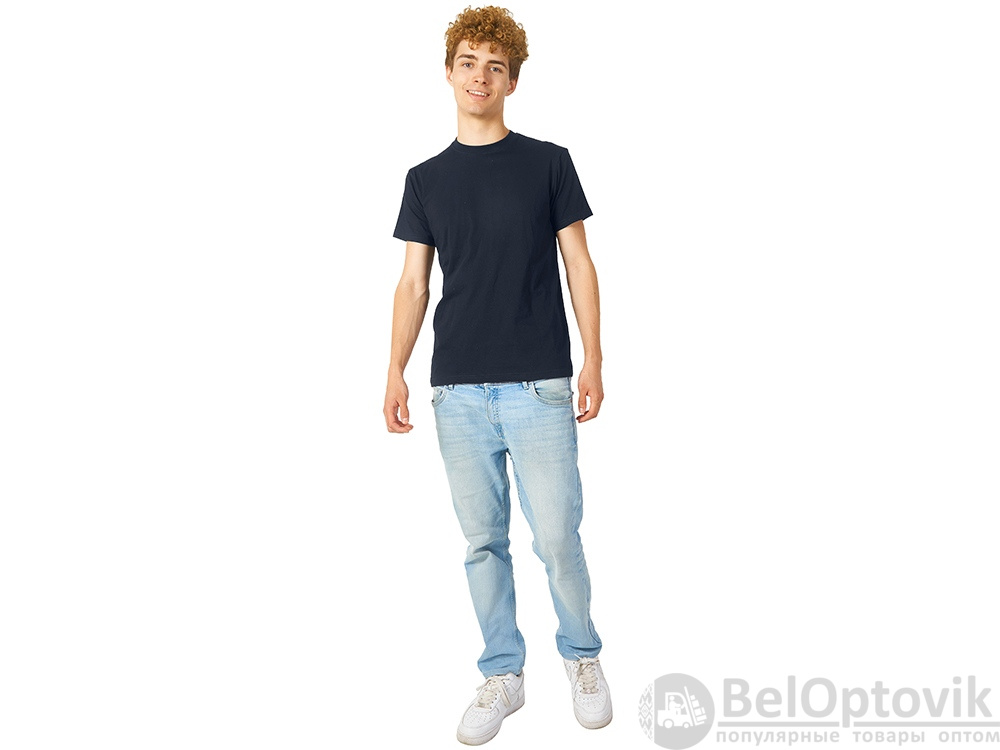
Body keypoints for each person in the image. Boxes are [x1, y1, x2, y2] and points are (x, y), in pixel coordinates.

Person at [383, 6, 611, 745]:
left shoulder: (549, 163)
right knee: (482, 542)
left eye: (496, 67)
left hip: (540, 384)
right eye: (469, 62)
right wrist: (395, 370)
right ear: (449, 71)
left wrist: (594, 356)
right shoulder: (425, 179)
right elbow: (413, 283)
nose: (480, 76)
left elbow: (579, 262)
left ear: (512, 81)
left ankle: (582, 656)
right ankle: (503, 673)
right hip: (456, 390)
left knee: (557, 537)